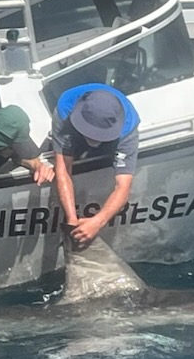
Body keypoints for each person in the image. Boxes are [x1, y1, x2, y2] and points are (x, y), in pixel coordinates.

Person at [50, 83, 141, 249]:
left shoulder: (128, 128)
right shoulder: (65, 108)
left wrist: (98, 222)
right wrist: (71, 222)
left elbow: (123, 186)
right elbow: (63, 170)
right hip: (72, 126)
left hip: (113, 140)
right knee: (66, 155)